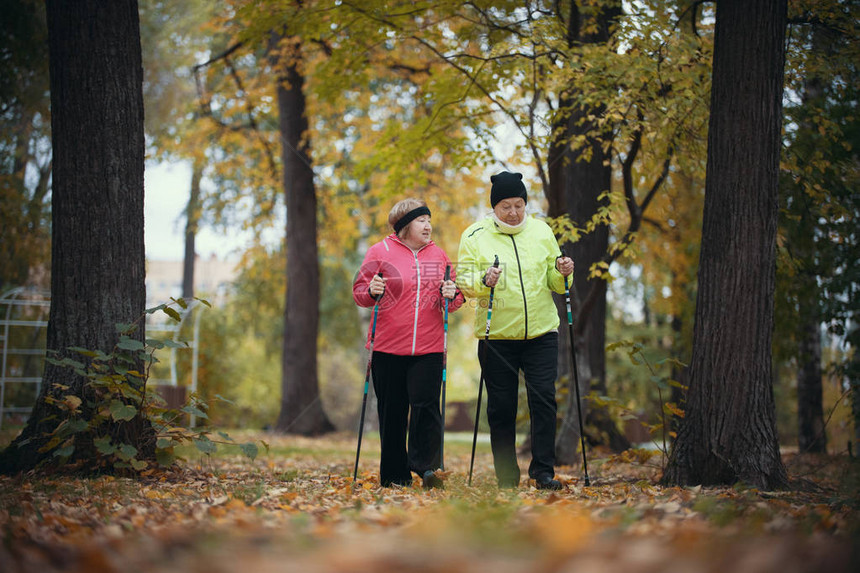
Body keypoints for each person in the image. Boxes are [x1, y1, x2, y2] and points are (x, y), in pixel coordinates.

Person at [456, 171, 574, 490]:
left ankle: (543, 472)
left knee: (544, 400)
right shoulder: (474, 234)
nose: (513, 212)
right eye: (506, 206)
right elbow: (463, 281)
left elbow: (555, 279)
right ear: (494, 207)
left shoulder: (541, 231)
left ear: (526, 203)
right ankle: (506, 477)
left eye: (519, 204)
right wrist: (484, 281)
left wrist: (564, 271)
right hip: (497, 337)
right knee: (501, 408)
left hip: (541, 333)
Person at [353, 198, 464, 488]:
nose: (428, 225)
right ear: (404, 226)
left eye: (429, 220)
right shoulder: (380, 252)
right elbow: (360, 292)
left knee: (426, 407)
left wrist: (451, 294)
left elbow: (455, 300)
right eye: (421, 220)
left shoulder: (438, 255)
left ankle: (427, 468)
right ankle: (394, 476)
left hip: (428, 348)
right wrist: (371, 289)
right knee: (393, 412)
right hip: (387, 347)